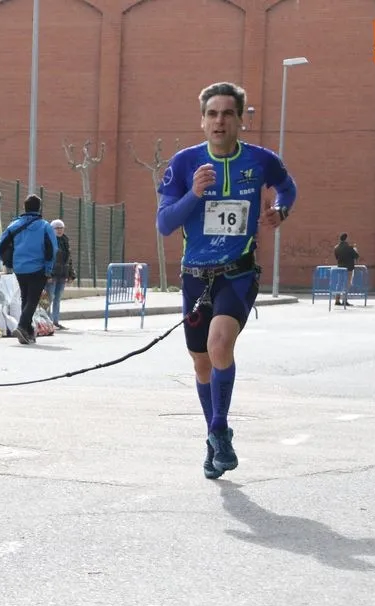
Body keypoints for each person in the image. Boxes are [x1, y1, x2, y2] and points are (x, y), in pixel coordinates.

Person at [156, 81, 297, 479]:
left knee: (219, 345)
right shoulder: (185, 163)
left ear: (240, 120)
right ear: (202, 121)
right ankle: (213, 438)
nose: (220, 121)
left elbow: (287, 188)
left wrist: (280, 211)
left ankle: (220, 429)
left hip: (238, 272)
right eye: (212, 114)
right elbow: (165, 223)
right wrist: (194, 194)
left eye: (228, 113)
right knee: (201, 362)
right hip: (195, 277)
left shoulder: (261, 160)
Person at [0, 194, 58, 344]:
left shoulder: (14, 225)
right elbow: (52, 249)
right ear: (39, 208)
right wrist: (48, 268)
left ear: (24, 207)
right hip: (38, 268)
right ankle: (22, 326)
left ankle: (28, 332)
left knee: (26, 298)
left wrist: (8, 262)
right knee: (32, 300)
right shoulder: (45, 226)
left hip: (20, 268)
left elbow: (1, 245)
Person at [45, 219, 75, 329]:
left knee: (57, 299)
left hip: (62, 275)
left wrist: (71, 274)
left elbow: (69, 259)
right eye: (57, 228)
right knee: (48, 299)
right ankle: (47, 322)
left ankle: (55, 322)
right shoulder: (48, 240)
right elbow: (46, 258)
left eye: (61, 228)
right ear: (52, 229)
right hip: (52, 275)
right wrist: (48, 274)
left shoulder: (65, 241)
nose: (59, 230)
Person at [333, 233, 359, 306]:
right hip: (349, 268)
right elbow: (356, 256)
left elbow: (337, 258)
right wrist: (355, 249)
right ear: (346, 239)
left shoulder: (336, 248)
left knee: (339, 283)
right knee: (347, 284)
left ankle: (337, 300)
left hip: (340, 268)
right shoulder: (350, 248)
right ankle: (345, 300)